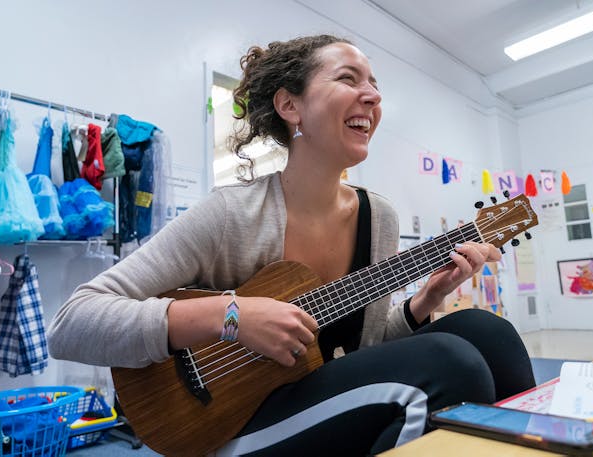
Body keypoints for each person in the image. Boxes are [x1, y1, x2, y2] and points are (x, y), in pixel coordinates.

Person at [47, 34, 535, 456]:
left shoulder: (377, 216)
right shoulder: (231, 214)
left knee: (486, 333)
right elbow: (72, 323)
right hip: (230, 423)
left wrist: (424, 302)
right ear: (290, 106)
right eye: (349, 79)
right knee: (449, 363)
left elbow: (360, 348)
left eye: (375, 86)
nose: (371, 97)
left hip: (327, 395)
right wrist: (231, 316)